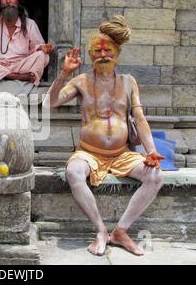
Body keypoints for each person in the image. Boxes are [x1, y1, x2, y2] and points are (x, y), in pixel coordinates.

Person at [42, 16, 164, 256]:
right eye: (97, 51)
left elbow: (139, 119)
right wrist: (64, 73)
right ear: (90, 56)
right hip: (88, 153)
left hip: (122, 154)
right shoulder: (81, 81)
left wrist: (151, 152)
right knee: (73, 172)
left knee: (156, 175)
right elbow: (49, 103)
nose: (102, 54)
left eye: (108, 50)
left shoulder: (129, 82)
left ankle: (120, 231)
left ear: (117, 53)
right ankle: (100, 230)